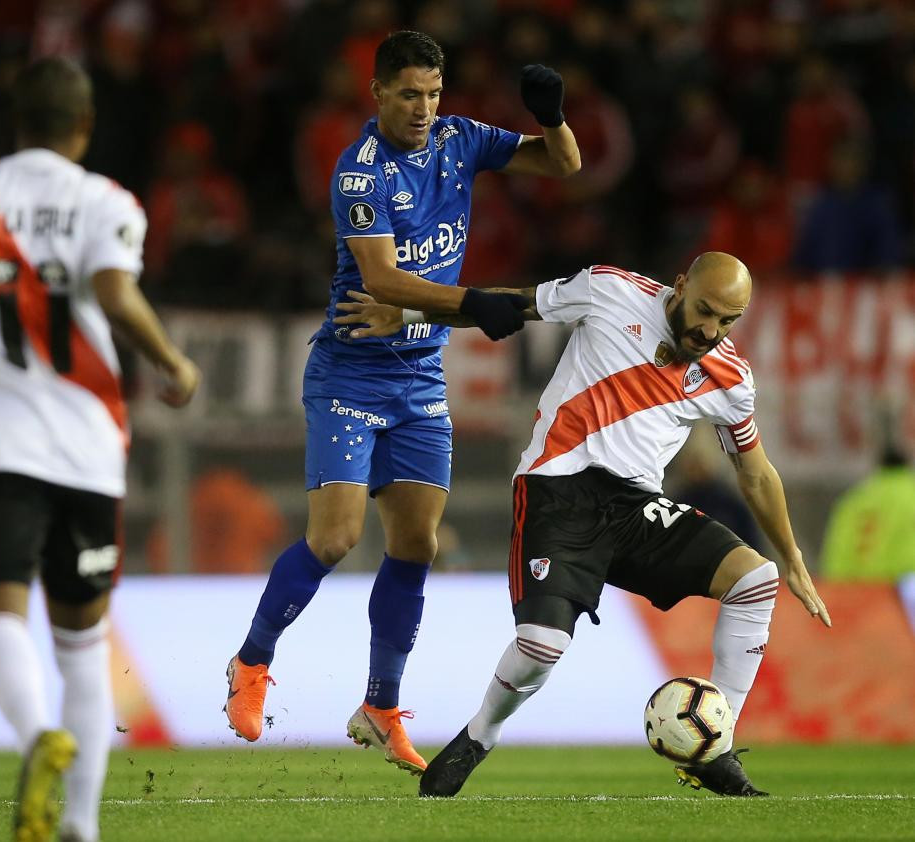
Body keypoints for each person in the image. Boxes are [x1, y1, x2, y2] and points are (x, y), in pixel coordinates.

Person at [337, 252, 831, 797]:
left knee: (754, 581)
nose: (710, 330)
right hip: (558, 491)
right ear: (681, 285)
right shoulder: (609, 291)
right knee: (541, 646)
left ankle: (713, 747)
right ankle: (482, 734)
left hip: (636, 507)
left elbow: (755, 472)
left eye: (727, 321)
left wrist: (792, 558)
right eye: (704, 311)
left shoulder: (730, 378)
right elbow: (512, 305)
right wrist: (408, 318)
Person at [223, 29, 580, 775]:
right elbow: (381, 279)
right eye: (409, 94)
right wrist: (471, 301)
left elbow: (565, 165)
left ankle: (380, 706)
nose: (423, 108)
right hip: (350, 375)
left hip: (419, 376)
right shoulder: (359, 173)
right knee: (336, 539)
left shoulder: (461, 139)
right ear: (379, 94)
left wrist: (552, 119)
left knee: (415, 544)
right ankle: (252, 662)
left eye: (433, 93)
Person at [0, 57, 200, 842]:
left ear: (13, 122)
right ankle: (81, 828)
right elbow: (114, 291)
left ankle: (35, 738)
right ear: (85, 127)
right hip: (88, 444)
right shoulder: (104, 199)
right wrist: (172, 361)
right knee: (84, 643)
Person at [821, 444, 915, 582]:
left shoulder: (854, 499)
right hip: (900, 587)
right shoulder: (910, 494)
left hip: (856, 588)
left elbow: (837, 546)